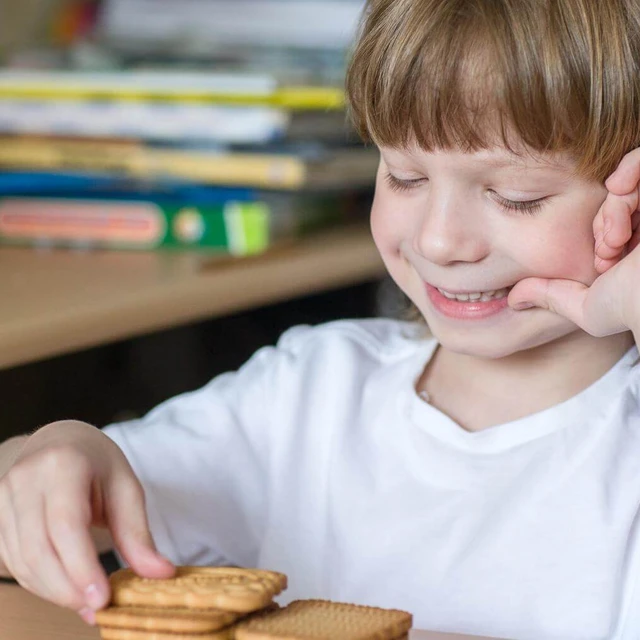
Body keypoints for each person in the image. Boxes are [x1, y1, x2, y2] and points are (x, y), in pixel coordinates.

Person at [2, 0, 640, 637]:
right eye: (405, 177)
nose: (440, 241)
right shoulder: (312, 392)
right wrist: (49, 452)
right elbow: (56, 495)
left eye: (516, 197)